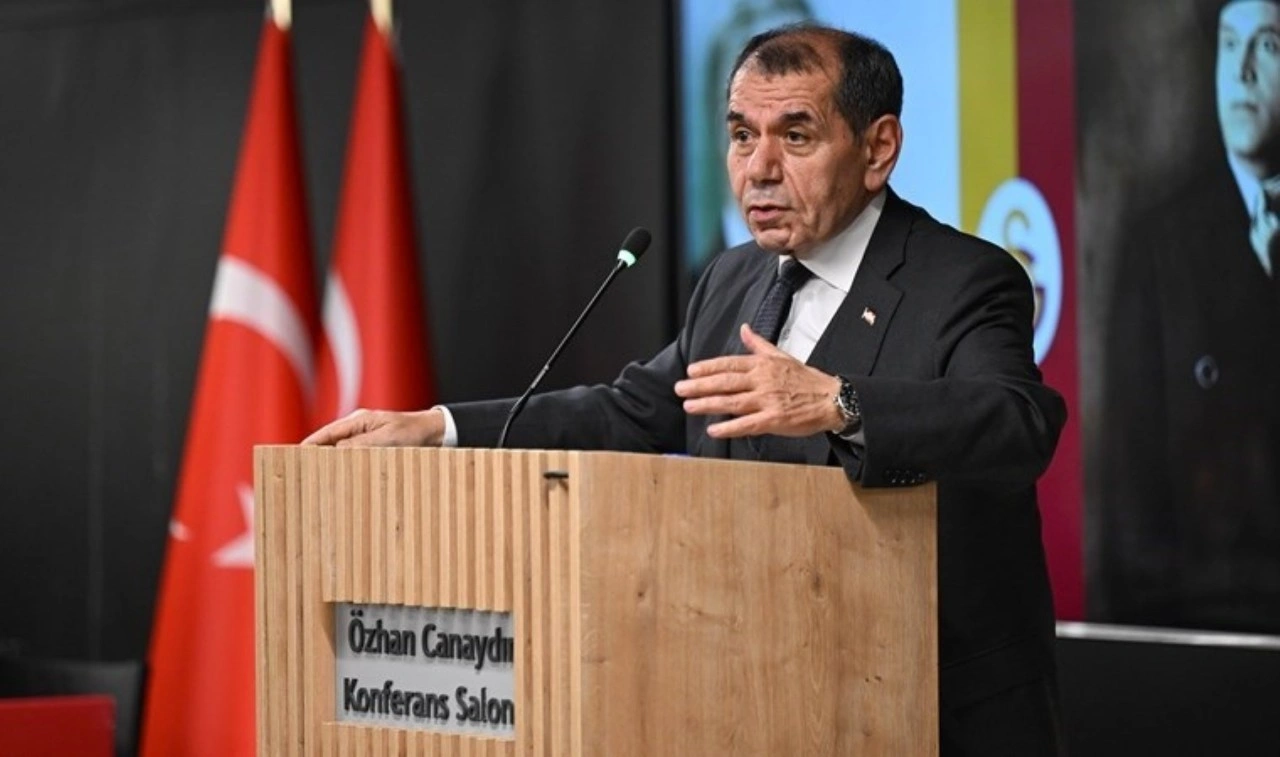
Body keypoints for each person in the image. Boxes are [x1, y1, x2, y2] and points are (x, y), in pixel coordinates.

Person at [307, 24, 1068, 754]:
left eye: (795, 136)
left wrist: (837, 403)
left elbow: (1019, 422)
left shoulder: (962, 279)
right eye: (741, 135)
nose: (758, 169)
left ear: (878, 149)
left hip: (928, 704)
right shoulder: (733, 278)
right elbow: (634, 412)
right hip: (750, 691)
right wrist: (440, 427)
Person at [1089, 0, 1280, 633]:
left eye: (1267, 47)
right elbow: (1131, 473)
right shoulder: (1161, 244)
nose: (1242, 71)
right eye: (1229, 45)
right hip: (1204, 617)